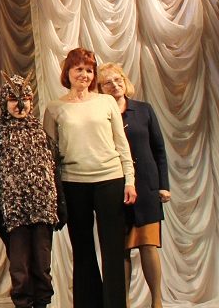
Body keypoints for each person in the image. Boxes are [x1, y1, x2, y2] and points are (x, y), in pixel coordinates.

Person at [43, 47, 136, 308]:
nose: (84, 74)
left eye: (89, 70)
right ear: (68, 73)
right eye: (79, 69)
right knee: (82, 250)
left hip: (110, 180)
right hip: (73, 183)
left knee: (113, 250)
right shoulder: (54, 108)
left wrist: (129, 180)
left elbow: (122, 144)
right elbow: (50, 154)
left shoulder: (106, 102)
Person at [0, 72, 66, 308]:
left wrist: (60, 204)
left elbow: (53, 170)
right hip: (13, 213)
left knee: (42, 266)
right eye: (13, 99)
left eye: (25, 98)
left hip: (42, 209)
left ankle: (42, 304)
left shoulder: (41, 133)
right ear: (4, 102)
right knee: (20, 269)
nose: (20, 105)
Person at [98, 63, 170, 308]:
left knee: (149, 244)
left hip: (147, 186)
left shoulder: (144, 110)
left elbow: (159, 149)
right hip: (116, 187)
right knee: (121, 249)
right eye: (108, 82)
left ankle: (157, 302)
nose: (114, 85)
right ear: (100, 88)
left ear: (124, 81)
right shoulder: (101, 115)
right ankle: (123, 303)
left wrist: (163, 185)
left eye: (118, 80)